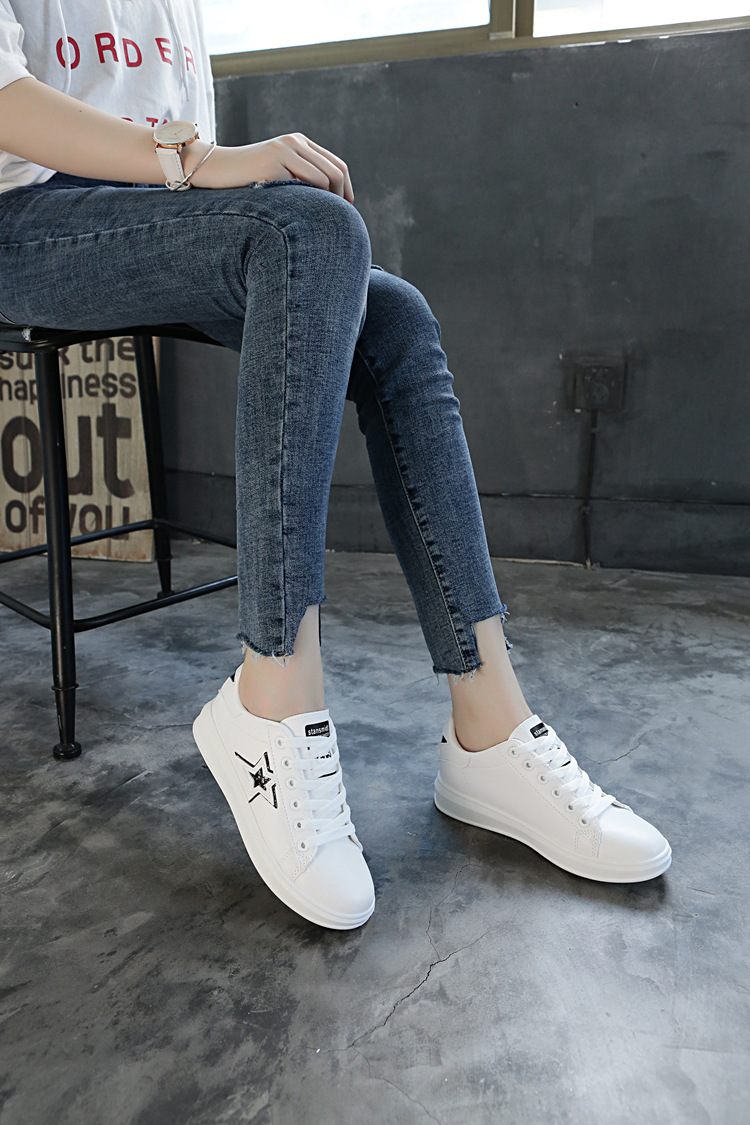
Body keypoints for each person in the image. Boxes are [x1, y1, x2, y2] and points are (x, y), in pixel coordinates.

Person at [0, 1, 671, 930]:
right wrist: (198, 161)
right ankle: (273, 695)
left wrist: (194, 174)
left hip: (150, 205)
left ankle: (489, 724)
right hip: (24, 218)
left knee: (392, 316)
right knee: (310, 232)